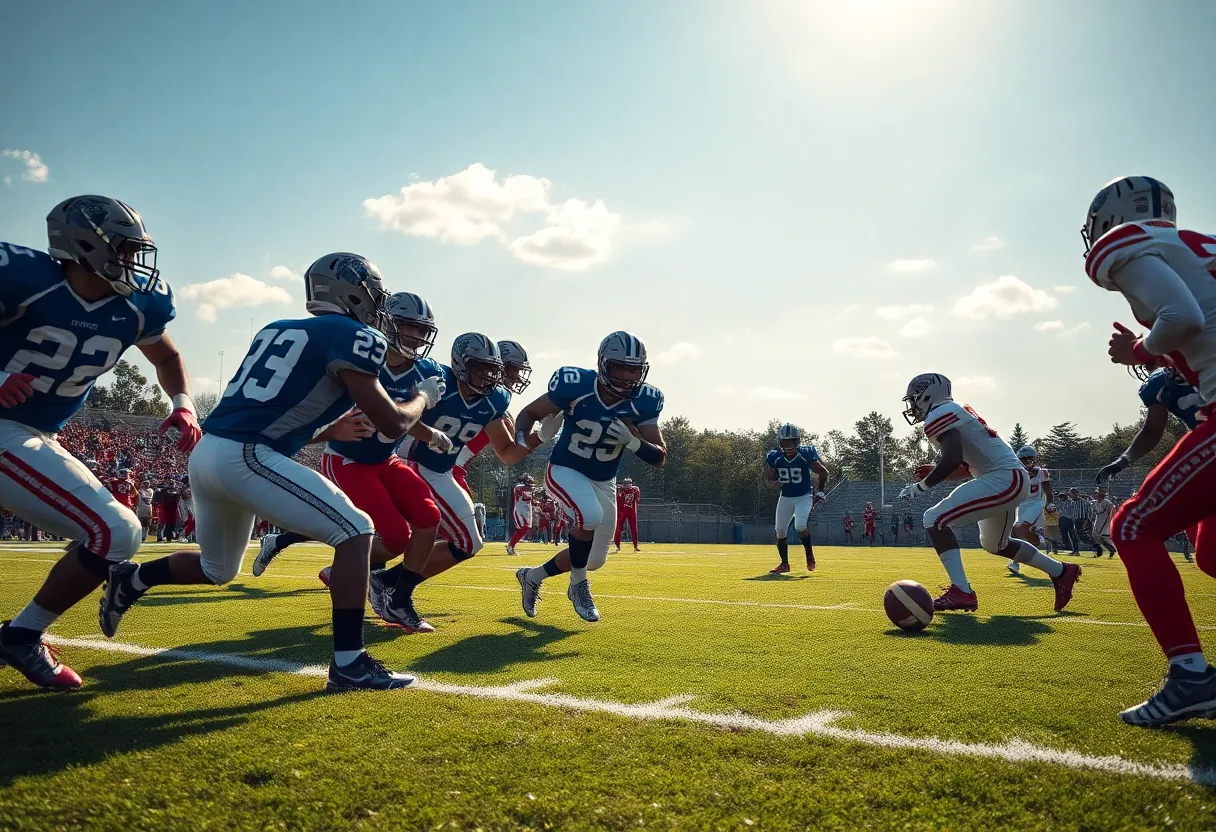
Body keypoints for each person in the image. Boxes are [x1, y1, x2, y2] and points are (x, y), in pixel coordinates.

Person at [97, 251, 430, 692]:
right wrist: (422, 397)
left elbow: (263, 413)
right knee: (356, 532)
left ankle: (132, 577)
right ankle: (349, 662)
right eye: (372, 293)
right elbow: (393, 423)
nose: (377, 304)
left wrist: (326, 429)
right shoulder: (356, 335)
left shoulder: (277, 329)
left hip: (212, 451)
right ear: (351, 291)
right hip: (245, 456)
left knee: (218, 569)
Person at [0, 196, 200, 690]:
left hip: (32, 432)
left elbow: (167, 356)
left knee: (118, 531)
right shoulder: (22, 277)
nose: (134, 262)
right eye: (125, 250)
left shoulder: (138, 304)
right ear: (84, 244)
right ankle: (22, 635)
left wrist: (182, 402)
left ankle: (21, 634)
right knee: (114, 529)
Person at [1080, 176, 1216, 725]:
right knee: (1209, 553)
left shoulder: (1128, 243)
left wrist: (1140, 346)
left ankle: (1190, 677)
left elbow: (1184, 319)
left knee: (1132, 527)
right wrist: (1156, 357)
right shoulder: (1198, 247)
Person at [249, 291, 446, 634]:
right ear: (386, 322)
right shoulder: (362, 356)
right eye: (408, 327)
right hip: (348, 459)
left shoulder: (426, 370)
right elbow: (316, 407)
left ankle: (399, 599)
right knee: (395, 538)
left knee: (429, 516)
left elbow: (399, 414)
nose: (416, 337)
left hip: (385, 459)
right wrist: (330, 430)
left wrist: (430, 435)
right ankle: (322, 560)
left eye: (421, 330)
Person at [390, 334, 544, 626]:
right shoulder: (435, 377)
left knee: (469, 541)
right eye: (480, 367)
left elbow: (508, 453)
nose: (488, 376)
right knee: (394, 533)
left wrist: (541, 436)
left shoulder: (495, 399)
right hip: (413, 463)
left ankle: (387, 583)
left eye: (493, 370)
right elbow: (395, 415)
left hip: (442, 470)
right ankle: (394, 594)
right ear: (461, 364)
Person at [513, 331, 666, 621]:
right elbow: (529, 412)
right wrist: (523, 441)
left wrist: (634, 442)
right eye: (620, 367)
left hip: (604, 479)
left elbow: (659, 457)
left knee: (593, 559)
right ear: (603, 364)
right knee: (589, 516)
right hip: (565, 469)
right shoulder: (576, 385)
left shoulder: (645, 400)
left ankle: (532, 576)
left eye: (633, 369)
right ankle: (578, 586)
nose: (626, 376)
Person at [898, 373, 1080, 613]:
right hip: (1003, 478)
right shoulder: (955, 410)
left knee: (934, 519)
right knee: (995, 544)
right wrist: (938, 470)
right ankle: (1061, 571)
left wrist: (920, 487)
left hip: (1002, 479)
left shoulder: (939, 414)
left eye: (913, 399)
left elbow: (952, 460)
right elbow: (964, 467)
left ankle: (961, 591)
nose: (912, 406)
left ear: (926, 394)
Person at [451, 340, 533, 494]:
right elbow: (509, 453)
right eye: (513, 369)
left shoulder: (496, 403)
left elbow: (508, 450)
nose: (517, 377)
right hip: (447, 467)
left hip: (453, 468)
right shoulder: (486, 402)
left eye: (519, 370)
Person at [763, 424, 828, 573]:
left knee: (800, 525)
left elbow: (823, 472)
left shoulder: (805, 454)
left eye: (791, 442)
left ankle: (809, 555)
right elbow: (768, 479)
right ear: (780, 443)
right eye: (785, 443)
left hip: (803, 496)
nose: (789, 446)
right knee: (780, 530)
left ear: (797, 441)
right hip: (785, 497)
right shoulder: (774, 457)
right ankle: (784, 564)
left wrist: (820, 492)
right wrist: (774, 484)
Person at [1007, 445, 1054, 575]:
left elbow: (1048, 490)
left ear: (1034, 459)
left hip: (1036, 503)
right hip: (1021, 505)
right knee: (1018, 533)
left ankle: (1016, 563)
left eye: (1029, 458)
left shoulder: (1041, 472)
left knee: (1020, 529)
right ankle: (1042, 542)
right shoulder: (1016, 472)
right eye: (1023, 459)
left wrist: (1049, 503)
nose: (1026, 461)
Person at [613, 477, 643, 553]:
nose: (627, 486)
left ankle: (636, 546)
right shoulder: (619, 489)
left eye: (629, 484)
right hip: (621, 510)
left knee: (633, 528)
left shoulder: (635, 490)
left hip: (631, 510)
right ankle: (617, 545)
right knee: (618, 527)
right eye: (625, 485)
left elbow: (638, 500)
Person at [507, 474, 535, 555]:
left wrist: (536, 502)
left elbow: (530, 499)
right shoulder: (519, 488)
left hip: (526, 510)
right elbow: (524, 497)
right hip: (519, 510)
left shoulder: (527, 489)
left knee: (525, 528)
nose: (530, 487)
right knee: (522, 528)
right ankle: (510, 546)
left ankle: (511, 544)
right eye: (529, 485)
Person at [1091, 487, 1117, 558]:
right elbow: (1095, 511)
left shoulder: (1106, 502)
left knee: (1099, 535)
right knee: (1094, 534)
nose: (1096, 496)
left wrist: (1110, 518)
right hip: (1098, 519)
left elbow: (1111, 510)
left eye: (1097, 494)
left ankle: (1106, 549)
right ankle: (1109, 548)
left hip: (1104, 520)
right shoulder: (1095, 503)